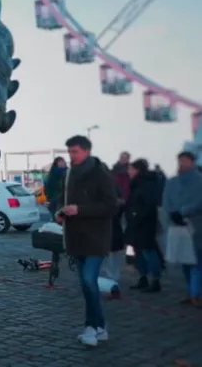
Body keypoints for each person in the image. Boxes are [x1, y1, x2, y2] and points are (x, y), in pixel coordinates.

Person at [58, 135, 119, 347]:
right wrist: (61, 211)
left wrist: (80, 210)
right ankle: (100, 327)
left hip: (96, 238)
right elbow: (63, 199)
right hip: (76, 238)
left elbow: (111, 206)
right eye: (69, 152)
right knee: (86, 284)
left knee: (89, 281)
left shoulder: (100, 173)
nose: (71, 156)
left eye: (74, 152)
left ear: (86, 151)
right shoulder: (69, 173)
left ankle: (91, 327)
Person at [162, 151, 202, 307]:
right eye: (180, 161)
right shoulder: (172, 182)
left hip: (197, 227)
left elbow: (199, 202)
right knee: (185, 261)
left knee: (197, 262)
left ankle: (195, 294)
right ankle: (189, 292)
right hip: (178, 228)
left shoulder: (200, 181)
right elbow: (166, 200)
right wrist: (173, 214)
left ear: (192, 162)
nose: (182, 164)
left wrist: (184, 212)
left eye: (185, 161)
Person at [125, 159, 163, 292]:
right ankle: (143, 277)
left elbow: (147, 205)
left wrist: (137, 216)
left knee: (148, 251)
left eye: (131, 169)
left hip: (145, 224)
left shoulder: (146, 183)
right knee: (138, 252)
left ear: (137, 170)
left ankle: (155, 279)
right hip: (135, 224)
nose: (128, 171)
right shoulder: (136, 184)